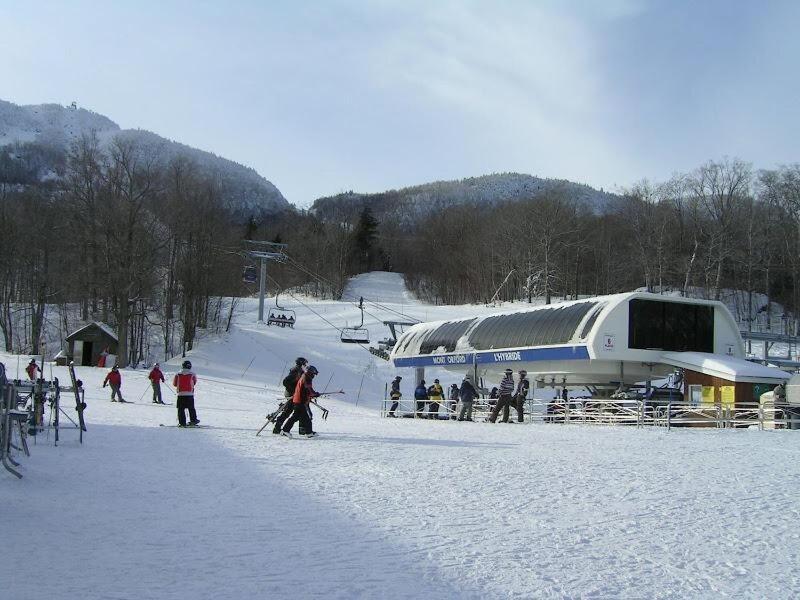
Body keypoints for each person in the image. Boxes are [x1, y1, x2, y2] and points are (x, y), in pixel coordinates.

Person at [282, 365, 320, 438]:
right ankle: (309, 432)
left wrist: (313, 394)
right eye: (313, 374)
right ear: (310, 372)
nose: (314, 376)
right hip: (300, 401)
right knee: (306, 417)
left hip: (299, 400)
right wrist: (315, 394)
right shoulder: (306, 378)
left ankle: (285, 430)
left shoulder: (305, 377)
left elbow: (308, 390)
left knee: (296, 416)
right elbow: (309, 389)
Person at [273, 357, 307, 434]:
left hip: (295, 394)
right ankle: (277, 428)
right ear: (301, 363)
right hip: (291, 394)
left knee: (297, 410)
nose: (305, 365)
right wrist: (293, 391)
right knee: (289, 410)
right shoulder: (296, 371)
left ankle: (302, 429)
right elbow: (285, 382)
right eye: (305, 363)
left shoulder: (300, 371)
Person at [173, 360, 199, 427]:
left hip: (181, 394)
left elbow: (174, 384)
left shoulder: (178, 374)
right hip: (190, 394)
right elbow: (195, 382)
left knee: (180, 409)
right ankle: (193, 421)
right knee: (191, 408)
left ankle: (182, 423)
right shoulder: (192, 374)